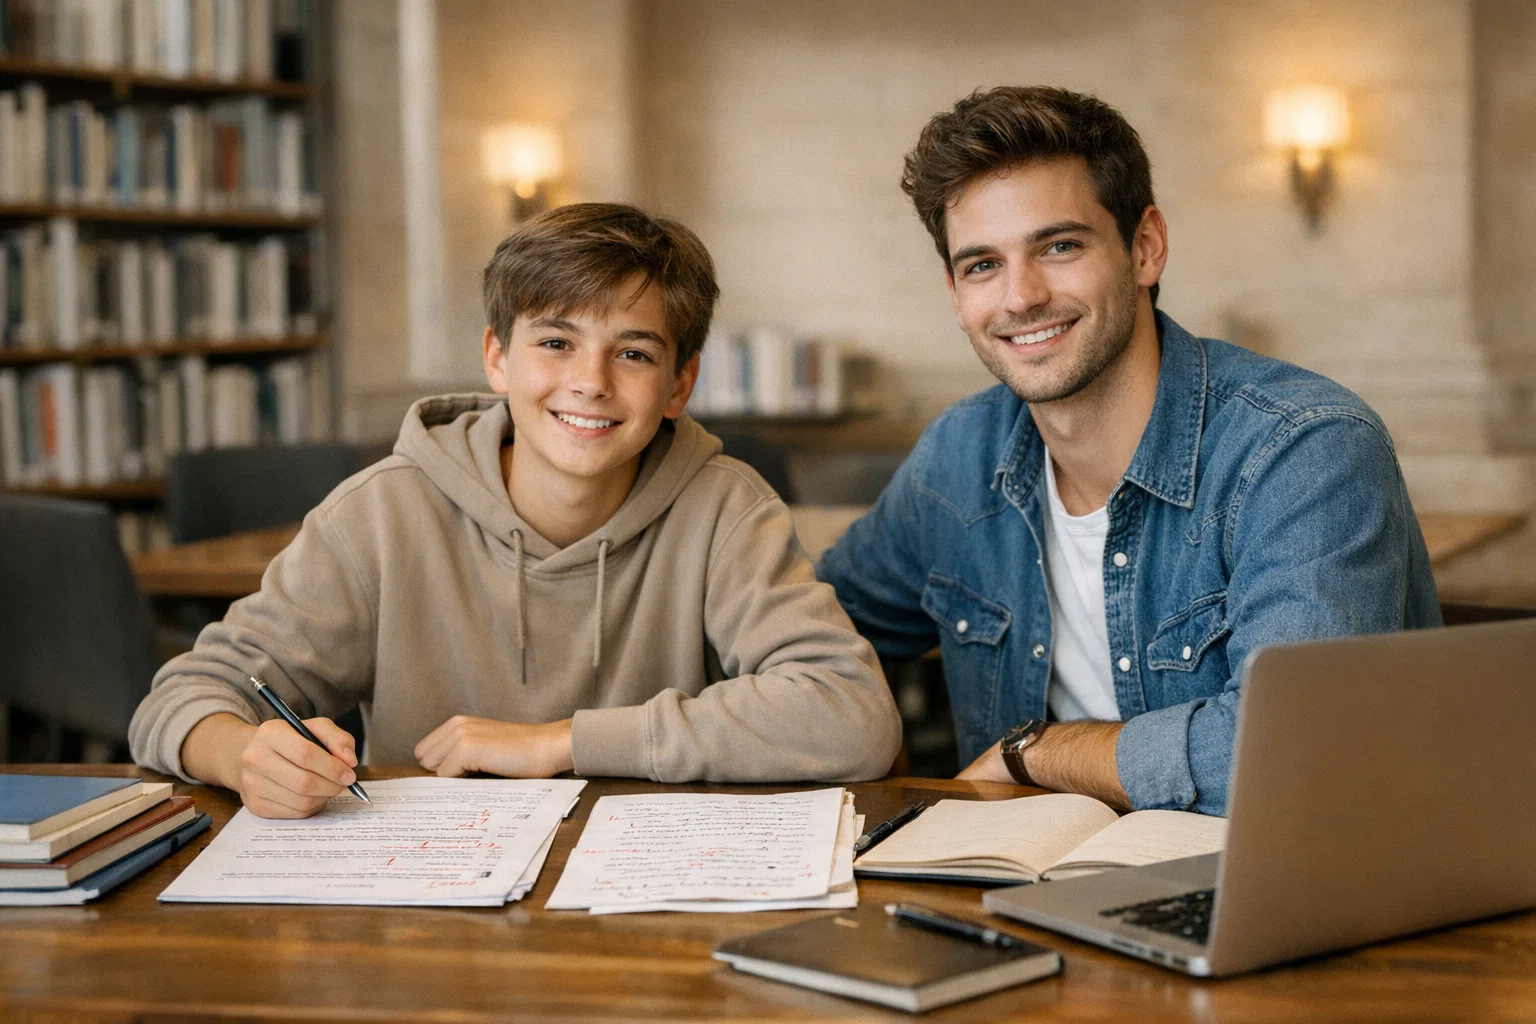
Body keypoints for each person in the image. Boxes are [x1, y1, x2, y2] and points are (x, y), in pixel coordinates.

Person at [130, 203, 902, 818]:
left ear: (678, 384)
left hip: (646, 896)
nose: (591, 382)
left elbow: (851, 717)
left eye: (633, 353)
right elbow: (182, 697)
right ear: (498, 357)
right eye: (557, 343)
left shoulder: (725, 506)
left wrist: (565, 742)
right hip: (427, 900)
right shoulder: (383, 513)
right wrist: (242, 757)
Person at [817, 86, 1439, 816]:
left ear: (1145, 248)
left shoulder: (1303, 449)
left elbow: (1298, 750)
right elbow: (812, 644)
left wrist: (1036, 753)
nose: (1020, 296)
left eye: (1059, 246)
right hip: (1007, 895)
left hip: (1265, 896)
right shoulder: (959, 457)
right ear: (955, 292)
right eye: (982, 264)